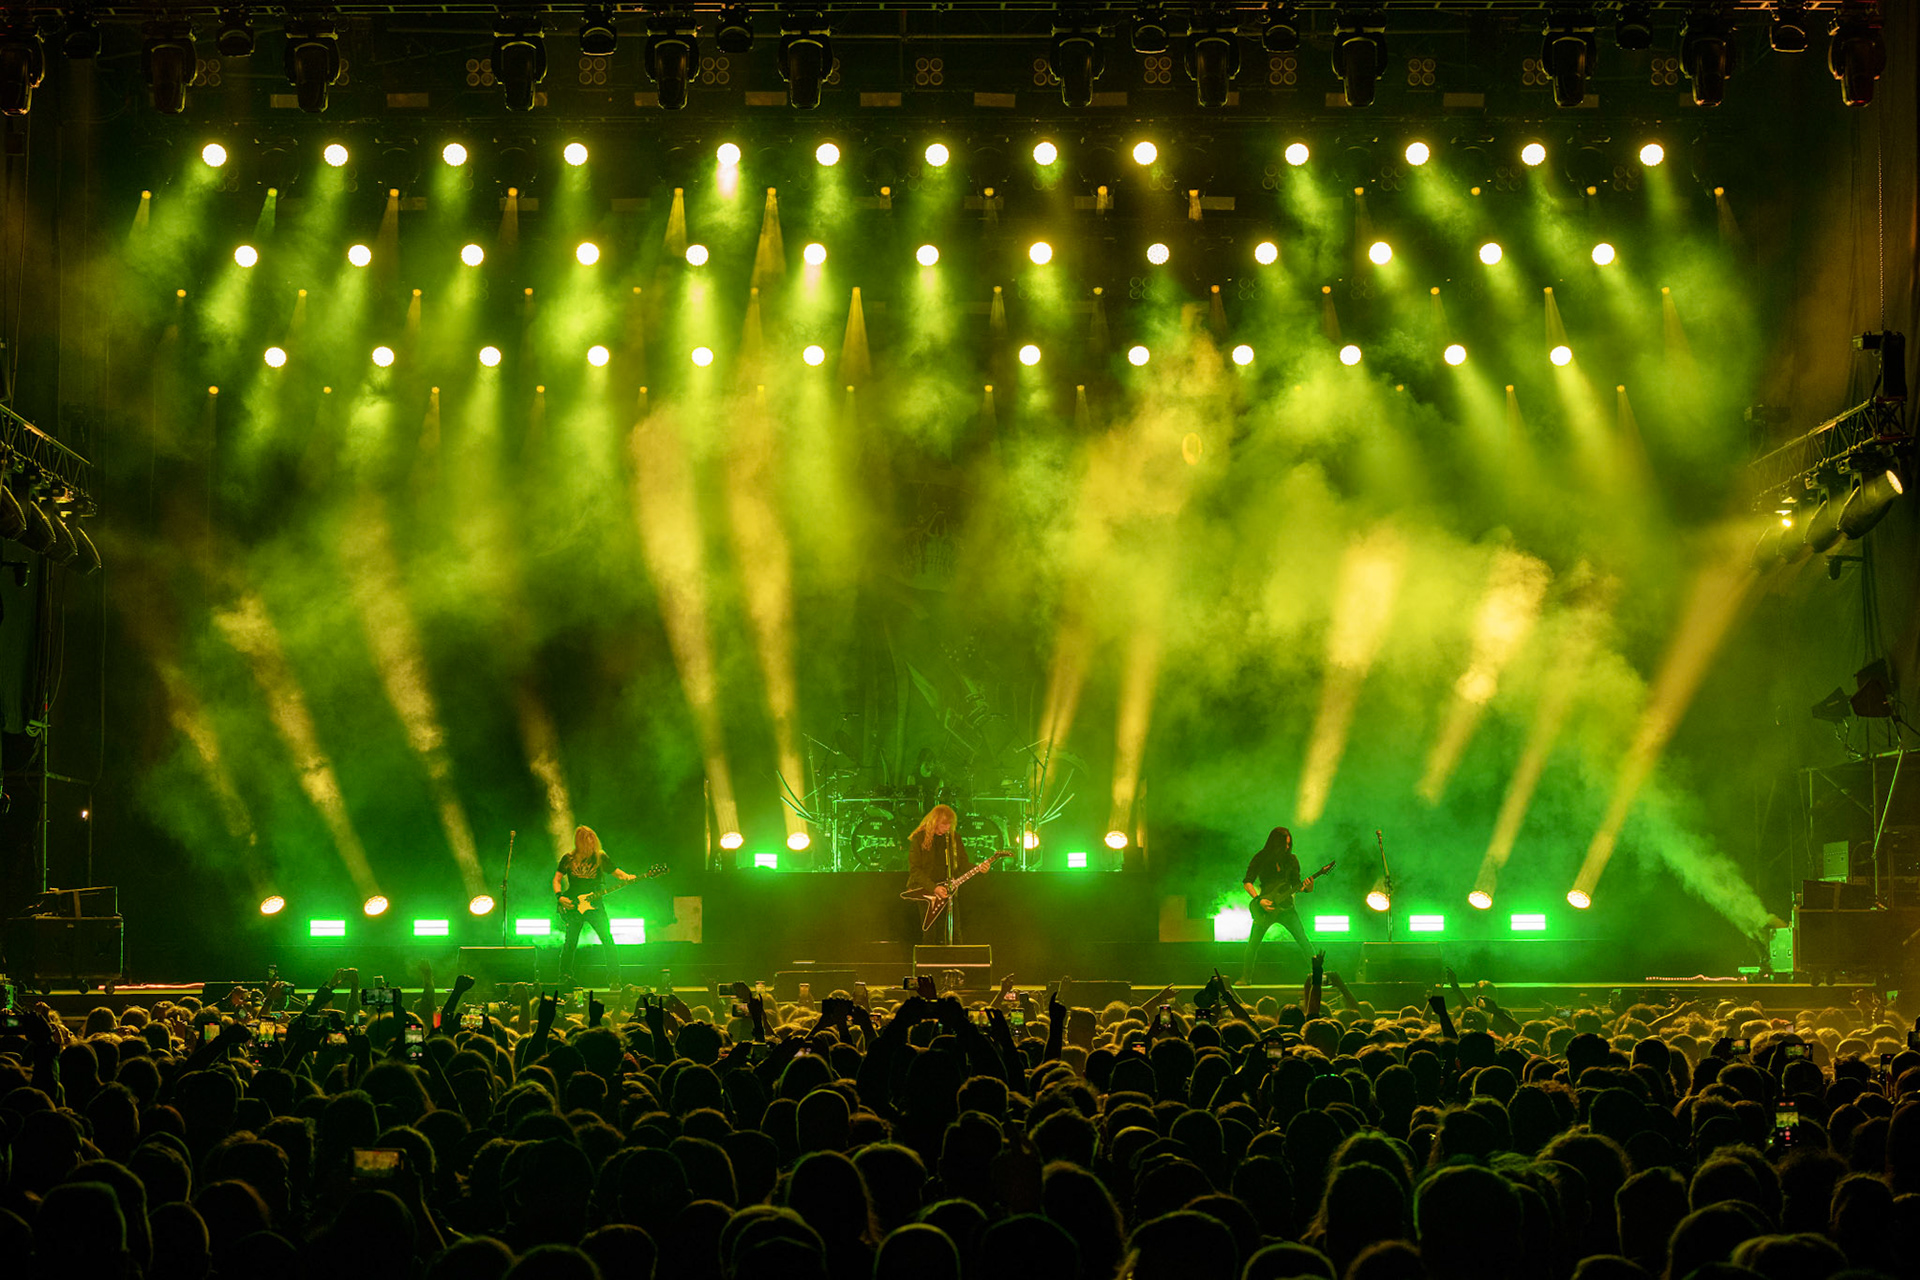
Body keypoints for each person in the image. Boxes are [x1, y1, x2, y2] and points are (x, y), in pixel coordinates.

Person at [551, 826, 640, 991]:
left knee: (608, 940)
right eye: (587, 842)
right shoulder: (569, 858)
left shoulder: (600, 857)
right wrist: (560, 897)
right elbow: (556, 880)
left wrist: (628, 877)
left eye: (593, 842)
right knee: (570, 943)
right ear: (580, 842)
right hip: (573, 906)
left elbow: (617, 873)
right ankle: (565, 977)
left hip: (595, 906)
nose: (591, 845)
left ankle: (614, 979)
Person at [1239, 827, 1319, 986]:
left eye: (1289, 844)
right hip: (1265, 908)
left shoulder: (1292, 860)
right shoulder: (1261, 857)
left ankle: (1318, 976)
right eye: (1284, 844)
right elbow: (1247, 881)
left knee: (1304, 941)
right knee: (1252, 945)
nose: (1287, 847)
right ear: (1275, 843)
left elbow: (1297, 884)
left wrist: (1308, 887)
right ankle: (1246, 978)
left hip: (1287, 908)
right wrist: (1258, 900)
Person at [900, 805, 988, 942]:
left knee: (954, 931)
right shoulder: (919, 838)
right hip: (926, 891)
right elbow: (915, 869)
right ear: (934, 821)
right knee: (930, 933)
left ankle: (954, 960)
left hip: (948, 890)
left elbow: (962, 863)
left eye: (949, 824)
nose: (947, 827)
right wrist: (934, 887)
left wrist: (979, 868)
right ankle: (929, 960)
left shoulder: (953, 838)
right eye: (944, 824)